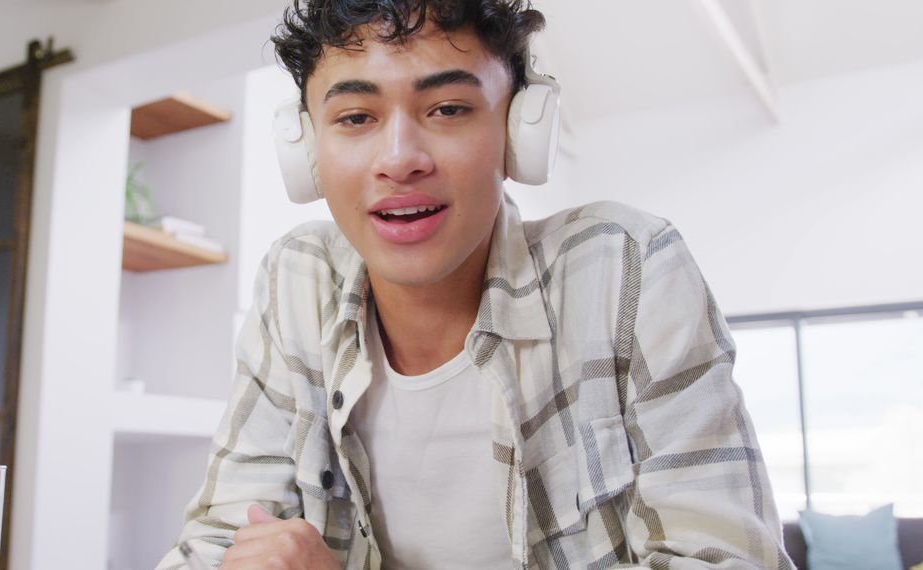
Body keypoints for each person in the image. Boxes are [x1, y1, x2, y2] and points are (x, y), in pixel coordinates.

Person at [157, 0, 794, 568]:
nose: (399, 158)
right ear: (305, 152)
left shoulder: (625, 268)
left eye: (449, 108)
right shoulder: (296, 280)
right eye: (355, 117)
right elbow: (216, 546)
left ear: (520, 134)